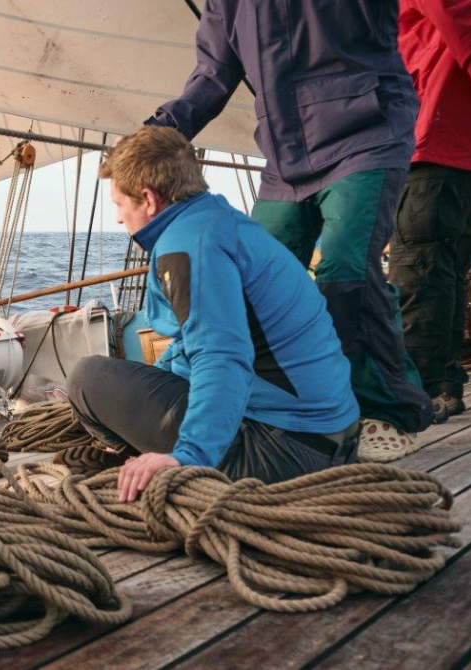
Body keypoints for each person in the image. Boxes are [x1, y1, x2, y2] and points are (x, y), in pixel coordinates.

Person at [144, 0, 432, 454]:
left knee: (345, 274)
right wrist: (158, 133)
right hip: (286, 157)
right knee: (244, 281)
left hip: (367, 132)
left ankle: (391, 412)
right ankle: (237, 402)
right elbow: (214, 72)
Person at [65, 126, 360, 502]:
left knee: (88, 379)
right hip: (331, 438)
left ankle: (141, 460)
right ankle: (136, 454)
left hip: (283, 455)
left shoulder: (186, 247)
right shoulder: (215, 221)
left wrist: (190, 456)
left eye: (120, 205)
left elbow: (221, 356)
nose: (120, 219)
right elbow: (195, 344)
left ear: (148, 199)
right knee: (146, 375)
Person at [389, 0, 471, 423]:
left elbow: (469, 30)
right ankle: (441, 383)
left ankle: (423, 388)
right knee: (447, 267)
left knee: (421, 266)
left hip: (441, 133)